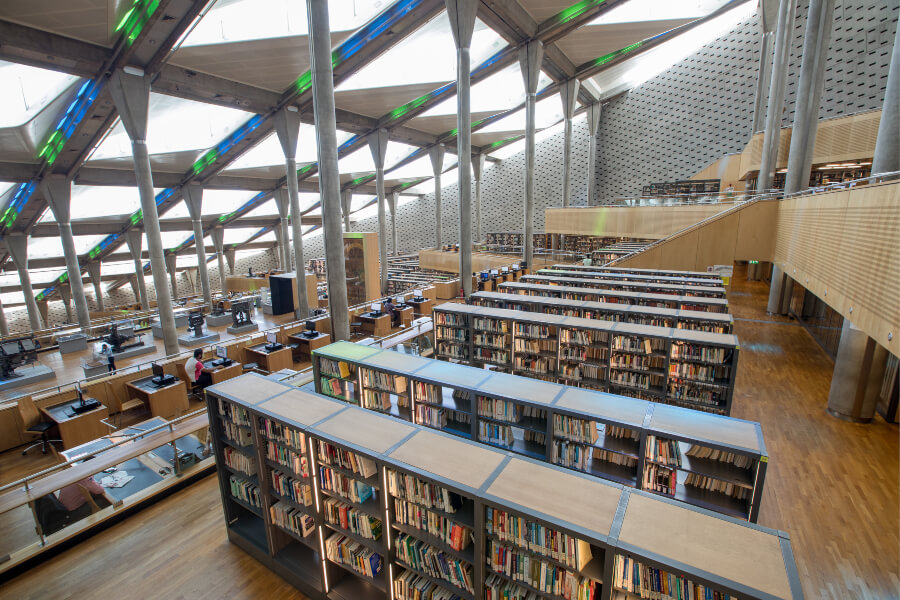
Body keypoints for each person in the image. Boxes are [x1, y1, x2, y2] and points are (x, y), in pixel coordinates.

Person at [58, 456, 113, 521]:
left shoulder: (77, 470)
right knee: (106, 501)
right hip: (73, 511)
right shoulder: (85, 477)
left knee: (94, 493)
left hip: (62, 504)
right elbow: (99, 490)